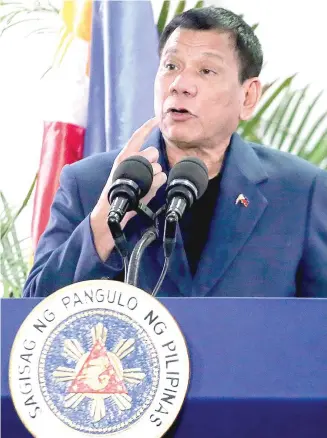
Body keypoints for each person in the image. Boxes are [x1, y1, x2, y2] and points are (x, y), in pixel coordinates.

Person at [23, 6, 327, 298]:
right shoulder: (90, 183)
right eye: (171, 66)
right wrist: (103, 222)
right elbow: (35, 312)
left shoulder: (300, 191)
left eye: (206, 70)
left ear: (248, 97)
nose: (180, 85)